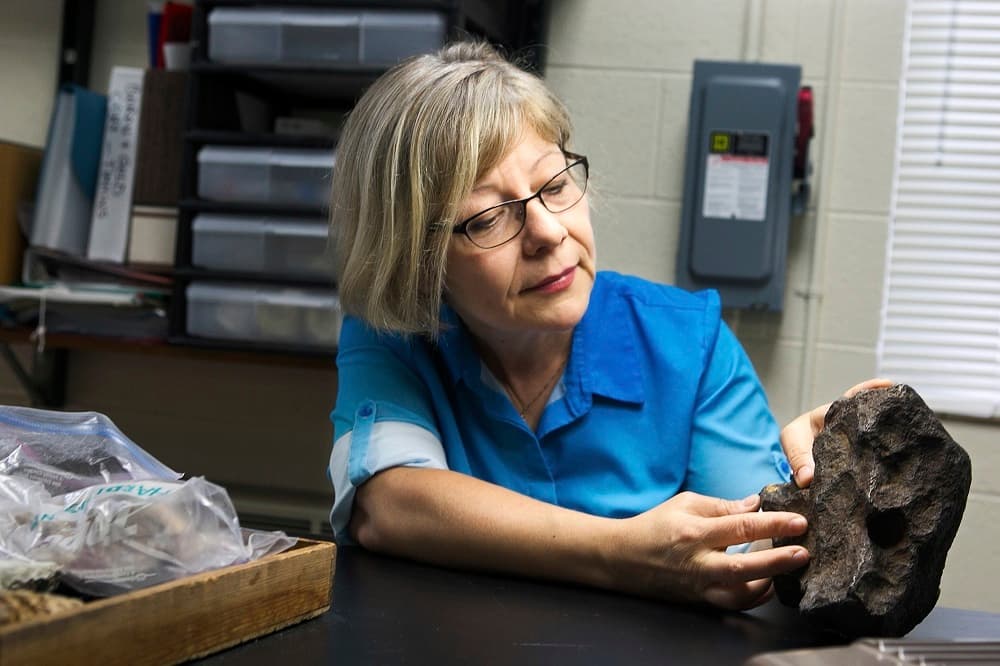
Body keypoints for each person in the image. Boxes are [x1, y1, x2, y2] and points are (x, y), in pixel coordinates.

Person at [327, 40, 888, 611]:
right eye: (489, 216)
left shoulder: (688, 343)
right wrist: (622, 553)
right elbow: (388, 503)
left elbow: (749, 554)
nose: (548, 232)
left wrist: (814, 495)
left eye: (554, 185)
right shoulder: (392, 335)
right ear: (413, 259)